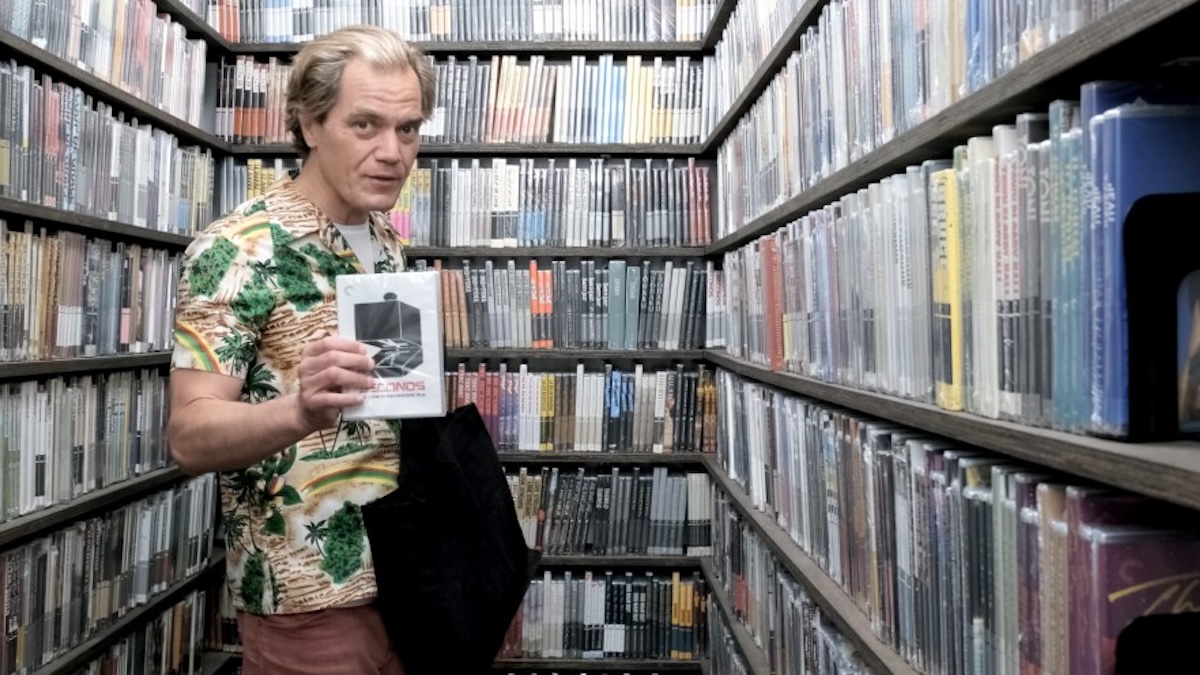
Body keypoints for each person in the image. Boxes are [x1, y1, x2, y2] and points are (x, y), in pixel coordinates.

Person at [167, 24, 435, 675]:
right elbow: (188, 435)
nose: (392, 152)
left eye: (408, 128)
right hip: (309, 595)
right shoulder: (237, 248)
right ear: (311, 125)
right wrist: (298, 410)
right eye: (365, 125)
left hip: (411, 579)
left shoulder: (384, 240)